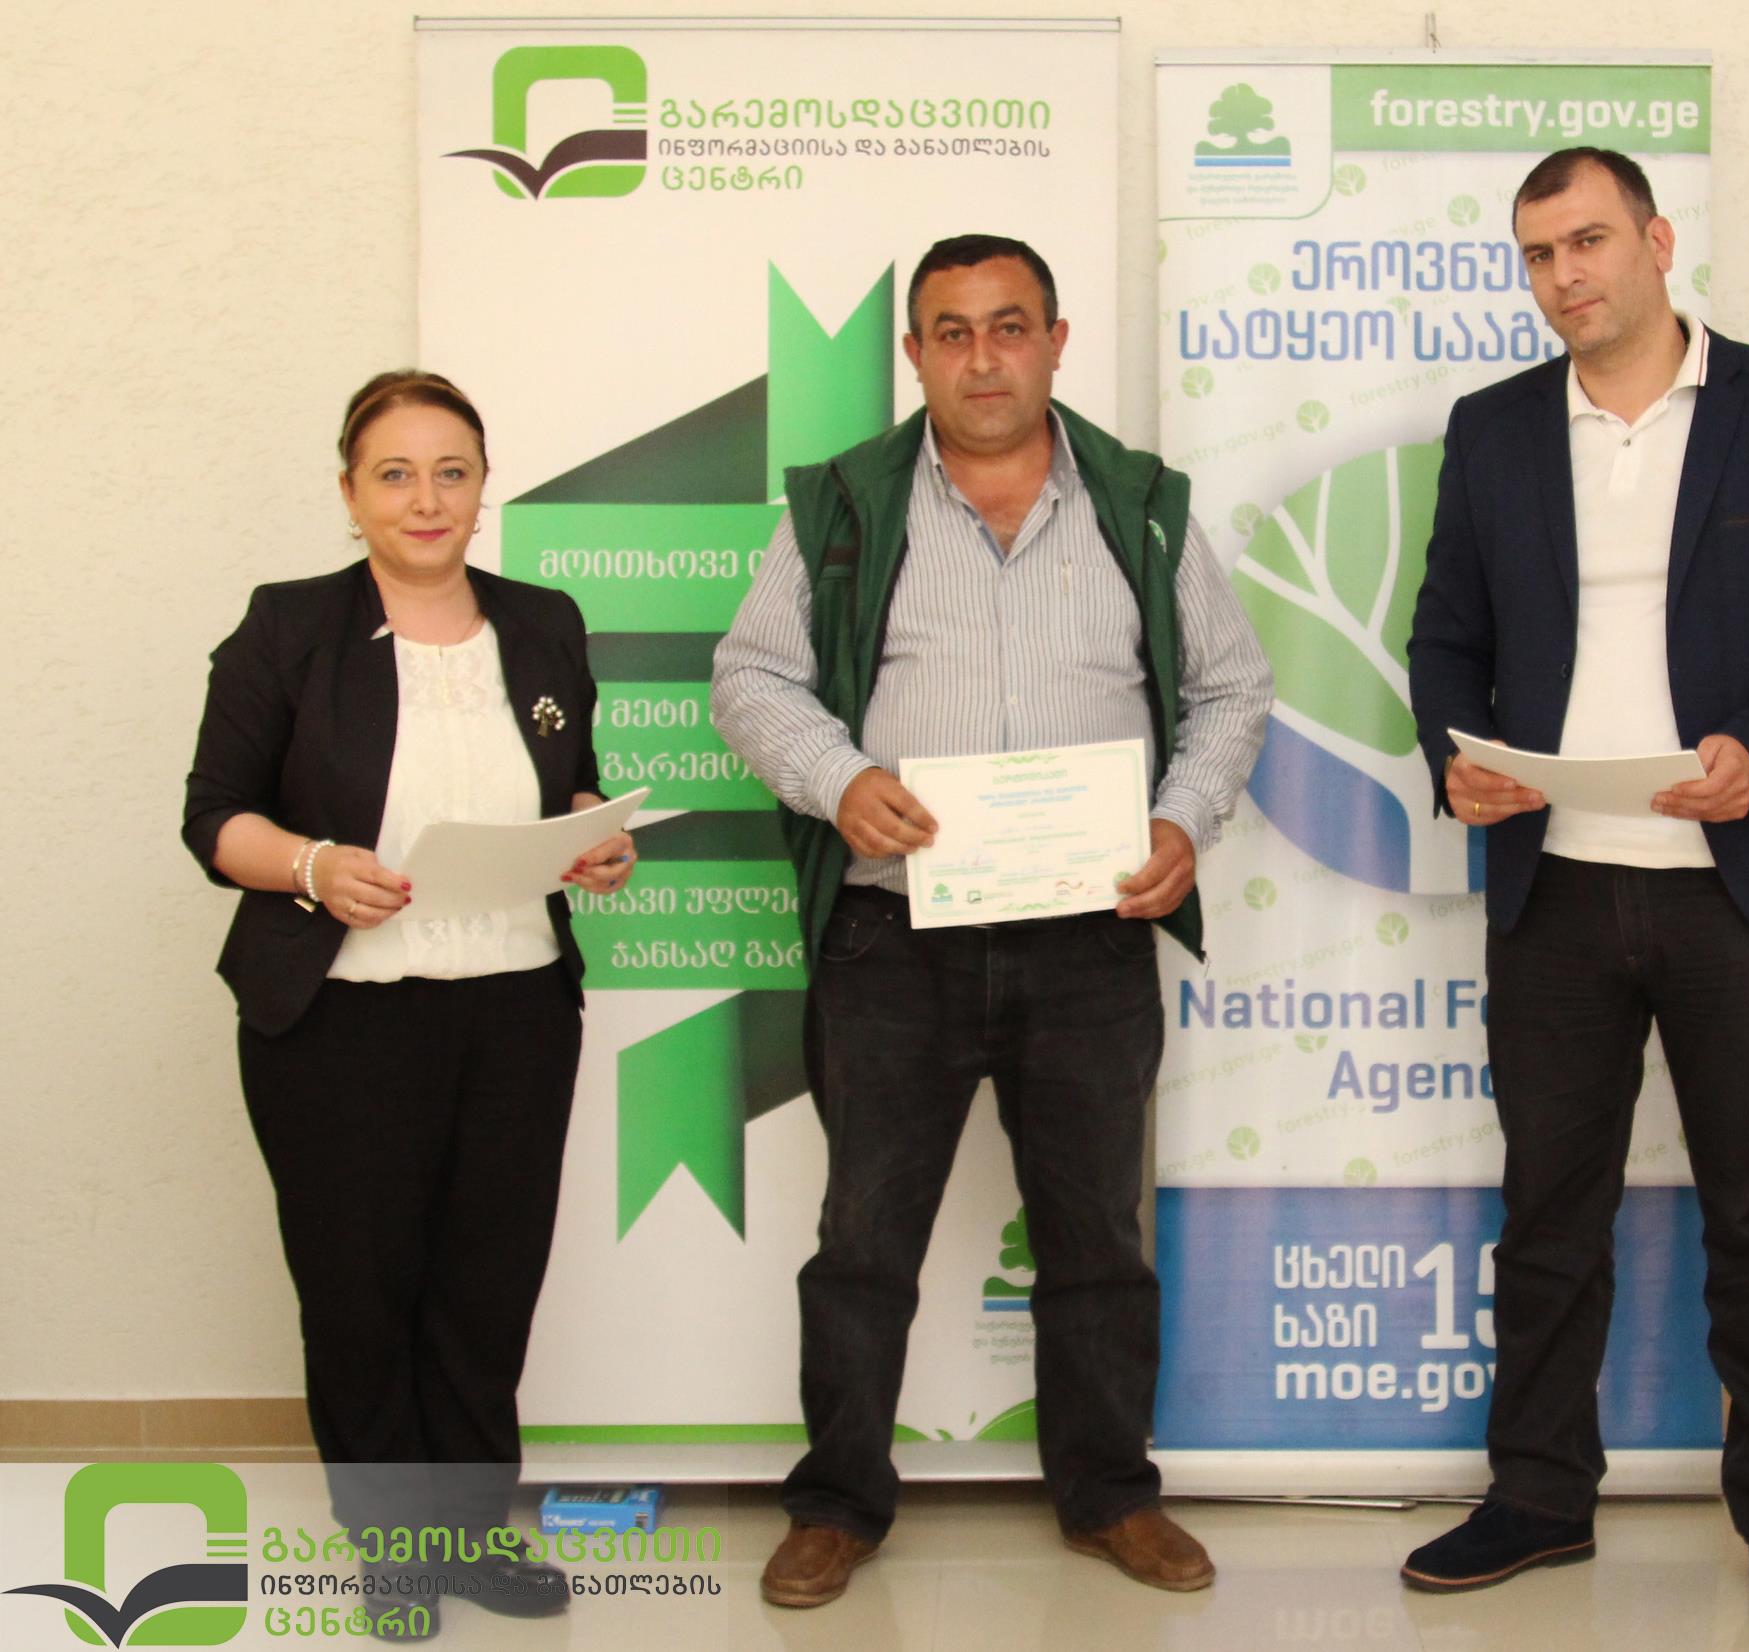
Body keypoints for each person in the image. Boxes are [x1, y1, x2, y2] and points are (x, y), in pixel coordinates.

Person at [710, 234, 1271, 1607]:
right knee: (863, 1243)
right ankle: (838, 1503)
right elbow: (752, 675)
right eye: (951, 332)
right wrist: (838, 780)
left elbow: (1231, 687)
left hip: (1089, 938)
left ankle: (1110, 1493)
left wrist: (1180, 822)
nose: (982, 358)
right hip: (892, 940)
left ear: (1055, 342)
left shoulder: (1138, 505)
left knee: (1095, 1239)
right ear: (914, 355)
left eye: (1008, 326)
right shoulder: (843, 508)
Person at [1404, 149, 1749, 1643]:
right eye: (1537, 254)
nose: (1564, 275)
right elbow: (1445, 638)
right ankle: (1539, 1495)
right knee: (1548, 1212)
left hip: (1739, 889)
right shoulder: (1494, 429)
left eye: (1588, 241)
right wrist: (1454, 757)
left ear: (1656, 239)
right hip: (1555, 889)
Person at [182, 371, 635, 1638]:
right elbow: (213, 816)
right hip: (342, 1016)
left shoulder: (542, 621)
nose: (426, 498)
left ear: (483, 487)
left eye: (451, 471)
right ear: (350, 492)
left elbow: (570, 783)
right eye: (395, 472)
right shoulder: (288, 626)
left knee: (487, 1284)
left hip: (515, 1008)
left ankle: (470, 1533)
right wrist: (314, 866)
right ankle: (391, 1550)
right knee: (361, 1290)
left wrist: (592, 839)